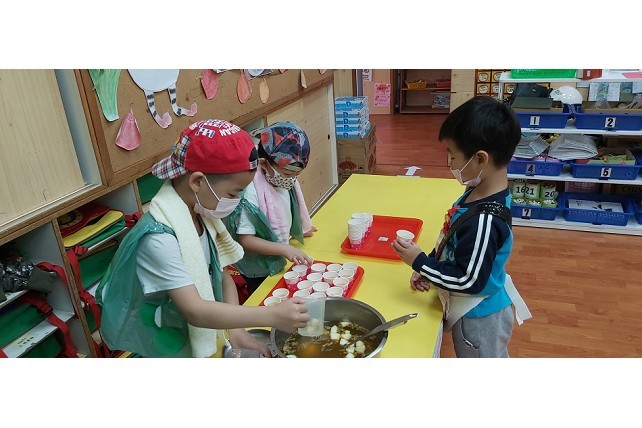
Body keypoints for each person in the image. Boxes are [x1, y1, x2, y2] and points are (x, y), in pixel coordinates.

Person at [96, 119, 309, 358]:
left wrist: (236, 330)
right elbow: (195, 310)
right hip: (165, 334)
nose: (237, 201)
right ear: (197, 181)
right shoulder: (159, 239)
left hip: (195, 328)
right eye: (233, 193)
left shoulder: (200, 212)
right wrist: (271, 316)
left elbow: (222, 274)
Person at [392, 96, 531, 358]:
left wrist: (419, 262)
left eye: (452, 155)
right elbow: (452, 239)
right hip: (471, 308)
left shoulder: (485, 221)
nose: (449, 163)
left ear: (480, 159)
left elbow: (469, 280)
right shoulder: (478, 190)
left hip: (479, 319)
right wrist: (430, 266)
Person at [223, 121, 317, 293]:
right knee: (263, 296)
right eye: (288, 173)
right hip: (258, 268)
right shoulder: (252, 191)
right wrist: (284, 248)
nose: (291, 179)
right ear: (264, 164)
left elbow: (283, 212)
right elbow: (246, 240)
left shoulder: (282, 180)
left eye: (296, 175)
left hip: (280, 256)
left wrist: (295, 230)